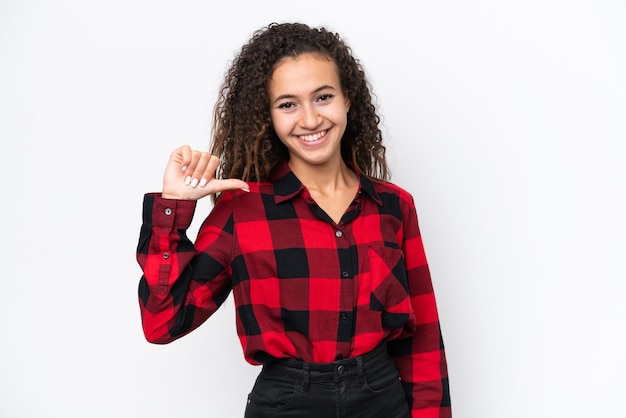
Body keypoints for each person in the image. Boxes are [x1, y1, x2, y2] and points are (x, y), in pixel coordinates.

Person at [136, 22, 451, 418]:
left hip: (382, 399)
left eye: (323, 97)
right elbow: (161, 322)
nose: (310, 119)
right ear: (267, 116)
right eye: (288, 104)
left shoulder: (393, 206)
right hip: (287, 403)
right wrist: (173, 209)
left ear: (347, 98)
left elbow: (422, 342)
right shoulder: (242, 210)